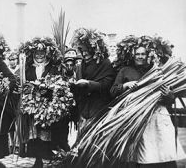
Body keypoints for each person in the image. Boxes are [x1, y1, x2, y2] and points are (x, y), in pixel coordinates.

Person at [110, 36, 186, 168]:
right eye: (137, 54)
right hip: (134, 115)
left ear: (148, 55)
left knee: (162, 151)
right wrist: (125, 86)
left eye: (143, 54)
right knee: (138, 154)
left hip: (157, 115)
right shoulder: (125, 71)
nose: (140, 57)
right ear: (133, 56)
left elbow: (170, 99)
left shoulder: (158, 71)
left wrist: (169, 95)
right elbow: (113, 91)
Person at [20, 37, 69, 168]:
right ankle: (37, 159)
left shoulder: (53, 67)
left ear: (46, 53)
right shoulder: (27, 68)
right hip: (32, 104)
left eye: (42, 53)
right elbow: (22, 82)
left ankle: (43, 156)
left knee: (45, 132)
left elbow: (58, 83)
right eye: (37, 53)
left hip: (46, 105)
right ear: (33, 54)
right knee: (34, 132)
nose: (39, 55)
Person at [70, 28, 116, 131]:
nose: (84, 54)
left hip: (99, 108)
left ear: (95, 50)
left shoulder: (105, 63)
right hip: (84, 109)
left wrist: (88, 83)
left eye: (87, 51)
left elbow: (108, 84)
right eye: (82, 51)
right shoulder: (81, 64)